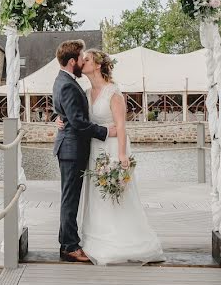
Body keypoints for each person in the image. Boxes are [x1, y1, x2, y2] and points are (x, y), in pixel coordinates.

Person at [60, 49, 165, 265]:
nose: (83, 62)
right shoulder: (86, 92)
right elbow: (77, 117)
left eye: (87, 59)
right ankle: (97, 239)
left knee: (117, 195)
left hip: (112, 147)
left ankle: (122, 241)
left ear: (97, 65)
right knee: (96, 196)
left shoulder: (113, 93)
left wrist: (122, 156)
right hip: (94, 150)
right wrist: (60, 119)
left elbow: (121, 127)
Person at [51, 40, 117, 263]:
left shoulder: (63, 80)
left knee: (69, 198)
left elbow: (63, 110)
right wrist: (107, 132)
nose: (82, 62)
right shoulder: (68, 84)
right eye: (81, 59)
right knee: (70, 199)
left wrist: (59, 118)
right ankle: (70, 246)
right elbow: (78, 122)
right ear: (72, 62)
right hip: (71, 149)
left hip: (69, 147)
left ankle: (66, 242)